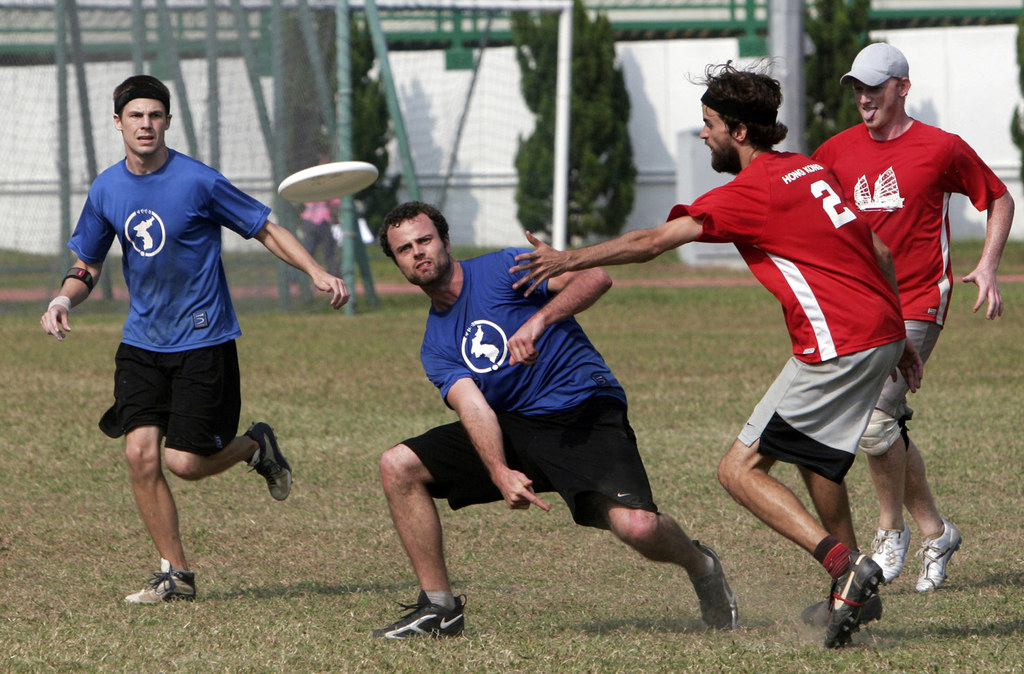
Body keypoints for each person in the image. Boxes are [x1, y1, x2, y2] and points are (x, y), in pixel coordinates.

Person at [510, 63, 923, 649]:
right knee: (815, 458)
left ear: (740, 131)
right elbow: (878, 247)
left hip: (840, 340)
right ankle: (851, 584)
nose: (702, 134)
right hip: (871, 332)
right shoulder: (808, 168)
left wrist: (568, 259)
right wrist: (901, 336)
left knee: (738, 471)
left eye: (708, 124)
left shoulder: (750, 191)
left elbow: (653, 241)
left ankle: (845, 568)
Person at [39, 75, 350, 603]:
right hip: (142, 342)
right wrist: (63, 298)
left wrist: (315, 271)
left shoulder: (198, 181)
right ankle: (176, 574)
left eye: (155, 115)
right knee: (140, 455)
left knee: (183, 463)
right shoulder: (107, 189)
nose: (145, 124)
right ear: (118, 122)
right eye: (135, 115)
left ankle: (256, 444)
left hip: (203, 341)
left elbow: (265, 227)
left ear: (166, 121)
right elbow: (86, 262)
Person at [372, 201, 739, 639]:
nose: (417, 252)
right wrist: (499, 470)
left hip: (582, 409)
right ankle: (439, 609)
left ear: (446, 241)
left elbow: (595, 277)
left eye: (424, 240)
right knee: (399, 465)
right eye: (404, 249)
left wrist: (539, 321)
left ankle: (702, 566)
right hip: (515, 425)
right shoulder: (436, 345)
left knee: (637, 527)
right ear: (397, 263)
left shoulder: (504, 267)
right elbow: (474, 408)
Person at [812, 43, 1014, 593]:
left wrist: (989, 266)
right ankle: (936, 531)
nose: (863, 98)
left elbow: (998, 199)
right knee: (886, 424)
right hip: (859, 304)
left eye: (874, 87)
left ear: (902, 87)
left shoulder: (940, 147)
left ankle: (890, 531)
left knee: (876, 418)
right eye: (857, 87)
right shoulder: (834, 151)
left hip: (921, 299)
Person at [299, 153, 342, 277]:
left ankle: (334, 276)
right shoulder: (312, 180)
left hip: (322, 221)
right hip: (311, 221)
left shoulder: (325, 182)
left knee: (329, 252)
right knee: (307, 252)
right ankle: (296, 280)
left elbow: (336, 201)